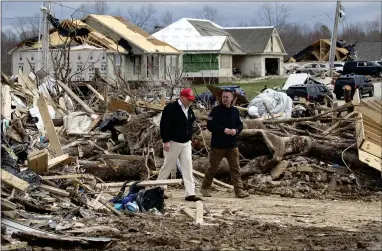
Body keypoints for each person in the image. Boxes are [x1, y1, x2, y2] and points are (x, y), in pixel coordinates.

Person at [200, 89, 249, 198]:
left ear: (232, 99)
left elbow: (240, 125)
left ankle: (239, 190)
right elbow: (210, 125)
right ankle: (205, 187)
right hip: (218, 145)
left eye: (227, 97)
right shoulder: (216, 111)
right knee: (213, 167)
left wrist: (236, 131)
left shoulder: (235, 111)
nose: (225, 99)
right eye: (223, 97)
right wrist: (223, 130)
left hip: (232, 145)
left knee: (235, 168)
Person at [158, 88, 202, 202]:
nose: (190, 101)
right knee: (167, 166)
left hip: (186, 142)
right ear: (182, 98)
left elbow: (190, 124)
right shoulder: (170, 108)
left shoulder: (189, 109)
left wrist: (190, 138)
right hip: (173, 141)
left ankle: (190, 193)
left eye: (192, 100)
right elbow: (164, 125)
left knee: (187, 166)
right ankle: (159, 189)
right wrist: (166, 141)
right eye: (189, 99)